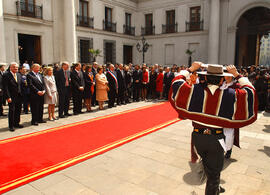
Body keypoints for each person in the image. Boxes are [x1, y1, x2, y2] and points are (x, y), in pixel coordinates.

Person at [169, 62, 257, 195]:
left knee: (210, 166)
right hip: (215, 139)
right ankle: (213, 188)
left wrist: (190, 69)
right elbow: (250, 91)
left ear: (205, 77)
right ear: (222, 79)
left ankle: (215, 188)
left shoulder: (193, 91)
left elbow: (176, 82)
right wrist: (237, 75)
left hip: (197, 138)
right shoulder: (230, 95)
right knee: (214, 174)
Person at [220, 74, 240, 159]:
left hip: (231, 113)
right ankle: (220, 149)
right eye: (225, 75)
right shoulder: (221, 84)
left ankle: (228, 150)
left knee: (229, 133)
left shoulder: (236, 86)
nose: (226, 77)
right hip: (220, 112)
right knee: (220, 132)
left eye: (229, 76)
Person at [3, 62, 23, 131]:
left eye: (17, 67)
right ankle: (11, 126)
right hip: (11, 97)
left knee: (18, 110)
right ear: (10, 67)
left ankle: (17, 123)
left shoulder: (19, 74)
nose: (16, 68)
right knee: (12, 111)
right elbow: (5, 87)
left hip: (19, 96)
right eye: (14, 67)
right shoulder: (6, 75)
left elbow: (20, 85)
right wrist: (8, 97)